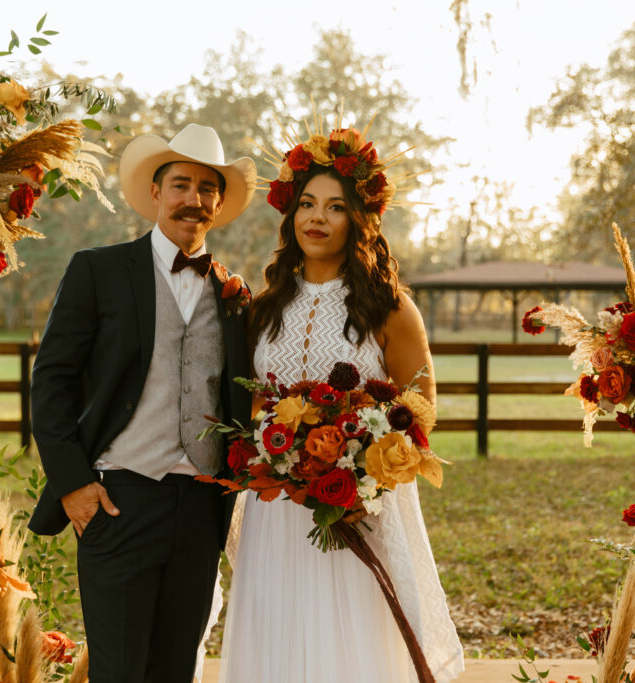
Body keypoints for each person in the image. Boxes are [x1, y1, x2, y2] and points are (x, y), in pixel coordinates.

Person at [218, 125, 464, 682]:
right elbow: (249, 405)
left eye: (335, 206)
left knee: (353, 643)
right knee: (278, 635)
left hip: (360, 507)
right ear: (290, 214)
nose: (317, 218)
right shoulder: (263, 308)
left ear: (360, 218)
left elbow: (421, 406)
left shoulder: (389, 307)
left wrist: (361, 466)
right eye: (307, 204)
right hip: (277, 509)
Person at [28, 123, 256, 682]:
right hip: (118, 498)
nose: (193, 199)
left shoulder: (233, 294)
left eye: (207, 189)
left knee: (176, 669)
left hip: (201, 506)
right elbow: (51, 381)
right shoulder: (98, 270)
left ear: (219, 203)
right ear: (156, 193)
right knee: (119, 672)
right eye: (181, 184)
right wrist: (73, 483)